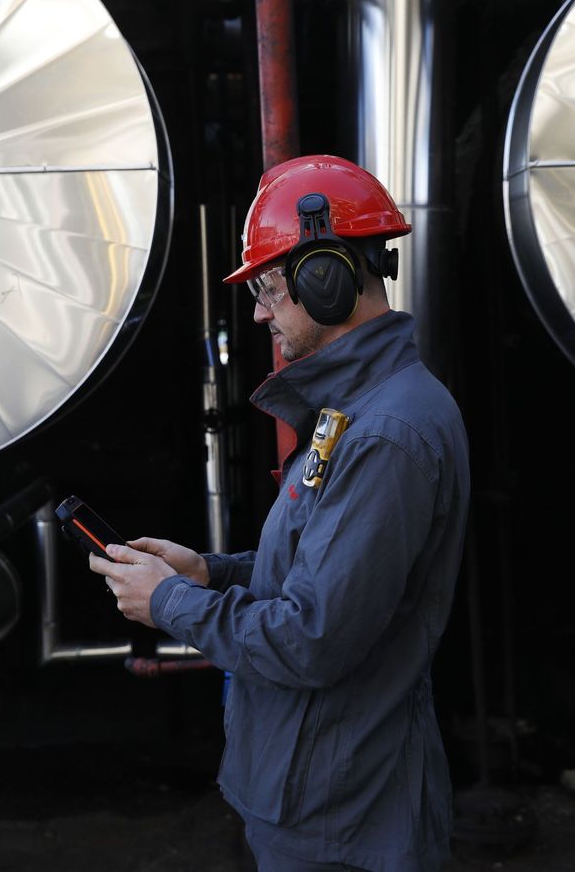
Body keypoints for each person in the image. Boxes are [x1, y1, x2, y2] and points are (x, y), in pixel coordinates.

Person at [89, 154, 471, 872]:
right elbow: (320, 573)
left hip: (345, 818)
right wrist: (206, 571)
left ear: (324, 278)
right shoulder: (360, 411)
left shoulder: (388, 433)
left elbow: (313, 638)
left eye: (268, 287)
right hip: (321, 793)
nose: (260, 311)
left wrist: (170, 603)